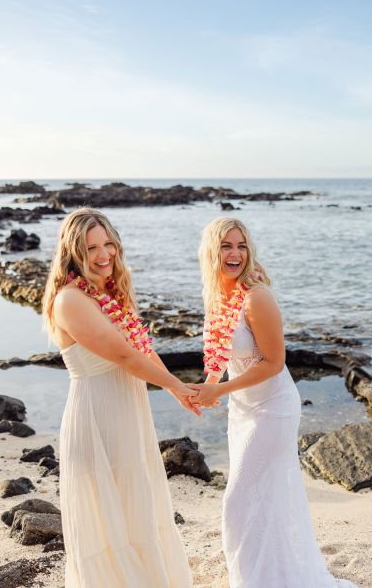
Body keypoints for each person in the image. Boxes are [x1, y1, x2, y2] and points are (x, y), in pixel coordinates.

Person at [191, 217, 357, 588]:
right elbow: (220, 353)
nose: (235, 254)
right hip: (243, 409)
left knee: (239, 500)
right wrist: (208, 386)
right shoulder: (219, 295)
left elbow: (274, 361)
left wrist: (220, 390)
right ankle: (266, 575)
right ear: (211, 252)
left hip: (273, 409)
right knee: (261, 499)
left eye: (242, 246)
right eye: (226, 246)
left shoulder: (256, 296)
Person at [42, 207, 198, 587]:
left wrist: (179, 388)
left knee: (136, 508)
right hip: (97, 417)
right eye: (92, 247)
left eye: (108, 244)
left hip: (128, 412)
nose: (103, 255)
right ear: (73, 252)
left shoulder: (110, 293)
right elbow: (125, 356)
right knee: (109, 520)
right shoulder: (70, 300)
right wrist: (176, 386)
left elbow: (142, 347)